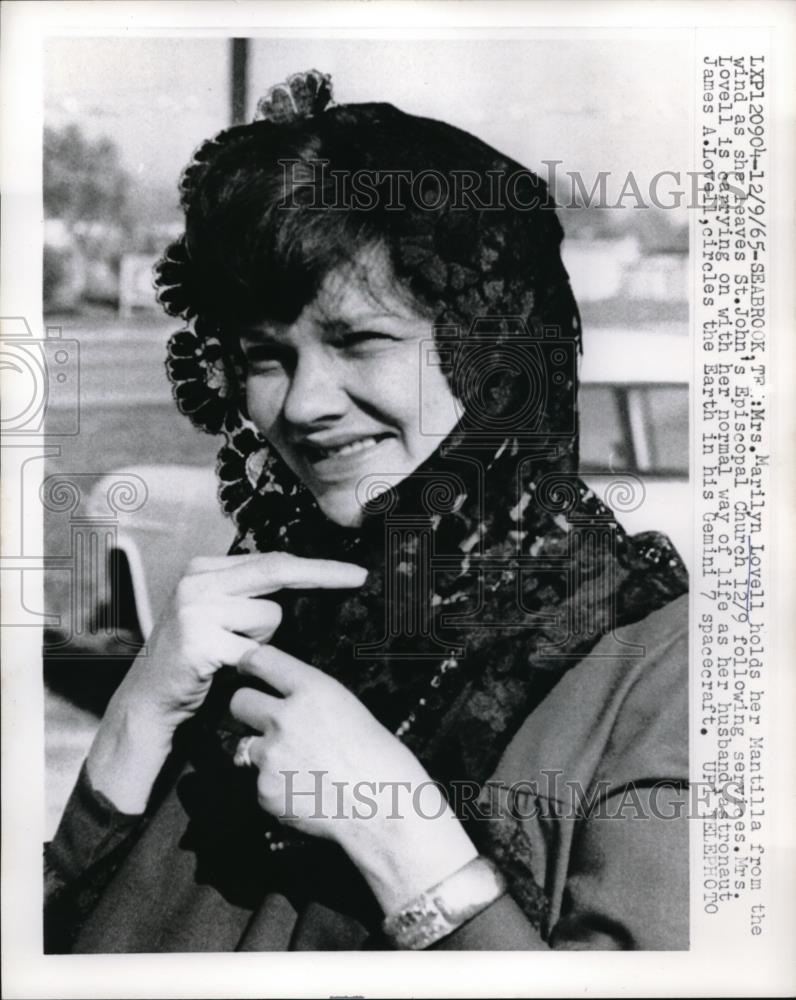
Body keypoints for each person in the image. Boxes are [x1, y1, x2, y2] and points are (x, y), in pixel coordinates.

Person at [44, 70, 689, 952]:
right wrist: (134, 722)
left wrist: (400, 839)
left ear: (492, 350)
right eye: (265, 355)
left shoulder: (658, 675)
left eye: (360, 340)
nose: (304, 403)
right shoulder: (260, 622)